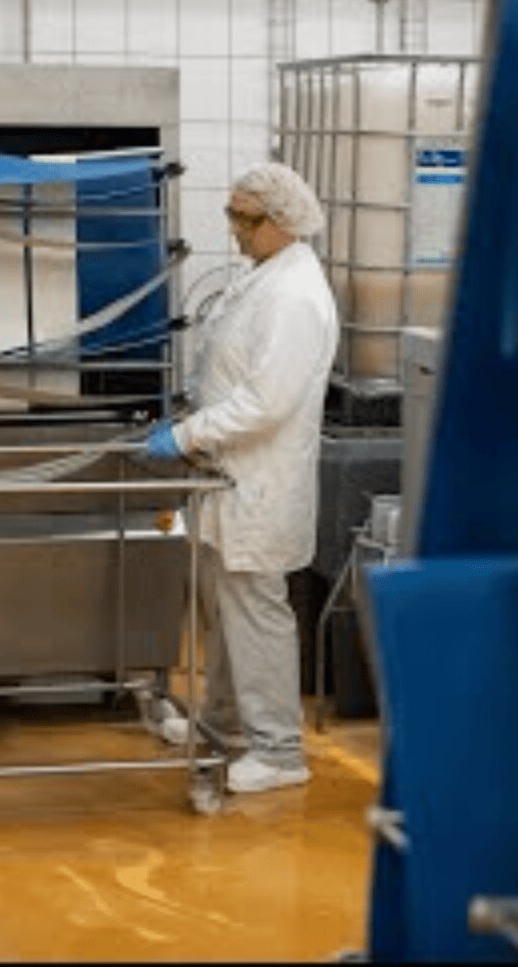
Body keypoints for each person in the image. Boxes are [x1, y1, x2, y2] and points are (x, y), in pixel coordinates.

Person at [143, 161, 339, 795]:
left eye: (244, 219)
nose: (233, 230)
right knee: (226, 613)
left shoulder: (297, 296)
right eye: (232, 215)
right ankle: (224, 726)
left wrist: (188, 436)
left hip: (258, 482)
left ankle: (280, 751)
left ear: (282, 223)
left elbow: (265, 402)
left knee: (256, 612)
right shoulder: (265, 279)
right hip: (227, 477)